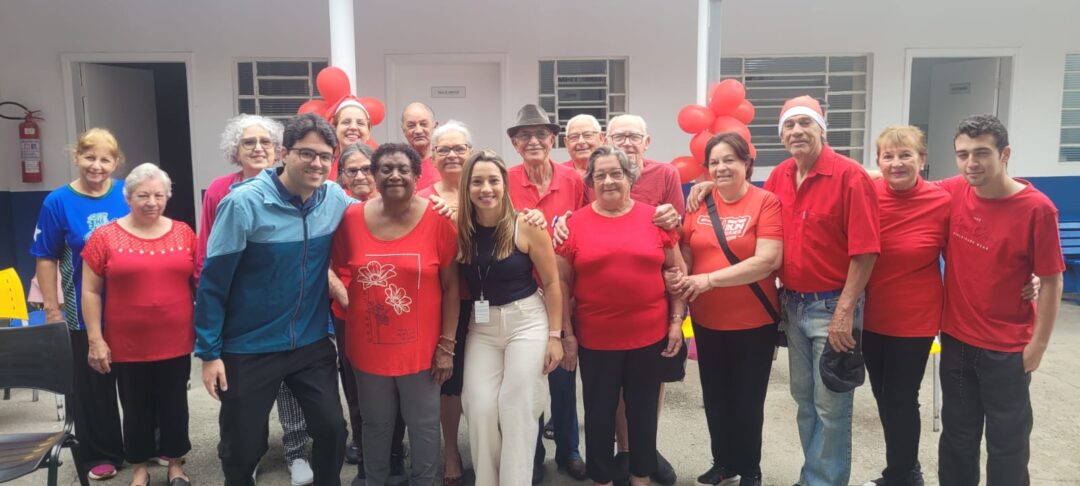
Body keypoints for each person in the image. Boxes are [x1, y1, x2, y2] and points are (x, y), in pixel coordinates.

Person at [688, 96, 879, 485]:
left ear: (821, 129)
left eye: (805, 124)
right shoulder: (781, 176)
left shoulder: (850, 176)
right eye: (789, 126)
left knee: (831, 404)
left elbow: (865, 252)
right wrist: (712, 182)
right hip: (792, 304)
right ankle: (813, 476)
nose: (797, 132)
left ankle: (823, 481)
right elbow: (743, 193)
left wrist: (845, 311)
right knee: (805, 401)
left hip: (832, 304)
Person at [195, 113, 351, 486]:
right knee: (243, 446)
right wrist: (209, 353)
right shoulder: (243, 204)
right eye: (306, 153)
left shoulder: (334, 198)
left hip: (309, 342)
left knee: (332, 429)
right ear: (284, 153)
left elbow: (377, 216)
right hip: (249, 346)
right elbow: (213, 283)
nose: (317, 163)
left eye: (325, 156)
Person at [936, 115, 1063, 485]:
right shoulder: (953, 191)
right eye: (962, 154)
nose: (970, 163)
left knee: (1007, 444)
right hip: (957, 341)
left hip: (1007, 349)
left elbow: (1052, 281)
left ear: (1004, 154)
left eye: (981, 153)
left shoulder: (1037, 209)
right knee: (957, 438)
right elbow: (900, 175)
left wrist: (1037, 346)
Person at [556, 145, 686, 486]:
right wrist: (567, 334)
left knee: (643, 412)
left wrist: (676, 323)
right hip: (596, 339)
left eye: (616, 173)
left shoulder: (656, 218)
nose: (609, 181)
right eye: (600, 175)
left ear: (631, 177)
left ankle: (641, 477)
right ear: (590, 182)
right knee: (598, 413)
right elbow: (561, 284)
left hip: (649, 335)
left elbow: (676, 273)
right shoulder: (573, 225)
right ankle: (602, 479)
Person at [331, 143, 460, 486]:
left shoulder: (438, 220)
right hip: (368, 349)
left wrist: (446, 346)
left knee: (424, 425)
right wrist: (347, 298)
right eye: (385, 169)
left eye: (403, 169)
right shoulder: (351, 220)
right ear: (374, 175)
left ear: (418, 176)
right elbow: (334, 267)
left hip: (422, 353)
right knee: (375, 424)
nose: (394, 175)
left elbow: (451, 288)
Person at [668, 133, 782, 486]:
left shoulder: (766, 202)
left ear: (747, 163)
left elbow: (767, 261)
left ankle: (750, 468)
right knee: (715, 396)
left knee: (748, 400)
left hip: (753, 321)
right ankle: (723, 463)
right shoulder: (699, 202)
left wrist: (709, 280)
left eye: (729, 160)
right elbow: (687, 254)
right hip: (707, 320)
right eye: (714, 162)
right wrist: (679, 288)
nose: (721, 168)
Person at [81, 163, 195, 486]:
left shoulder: (184, 233)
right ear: (128, 197)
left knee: (175, 404)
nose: (151, 202)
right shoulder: (104, 236)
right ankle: (139, 468)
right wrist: (95, 339)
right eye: (143, 195)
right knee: (134, 407)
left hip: (176, 339)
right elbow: (90, 291)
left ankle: (175, 464)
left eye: (159, 195)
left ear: (168, 197)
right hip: (127, 342)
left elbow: (199, 280)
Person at [458, 149, 565, 485]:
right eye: (477, 182)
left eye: (493, 180)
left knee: (517, 406)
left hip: (526, 322)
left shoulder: (527, 225)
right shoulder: (459, 228)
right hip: (482, 326)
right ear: (467, 187)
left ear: (505, 185)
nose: (486, 189)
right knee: (479, 406)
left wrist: (555, 337)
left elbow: (552, 283)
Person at [30, 127, 128, 481]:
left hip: (132, 310)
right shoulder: (57, 201)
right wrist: (52, 310)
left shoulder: (128, 193)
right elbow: (46, 257)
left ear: (116, 162)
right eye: (89, 157)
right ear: (77, 157)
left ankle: (148, 444)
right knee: (92, 387)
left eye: (105, 159)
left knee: (141, 381)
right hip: (81, 314)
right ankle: (100, 453)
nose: (96, 166)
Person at [857, 126, 950, 486]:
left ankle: (902, 474)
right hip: (871, 315)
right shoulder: (866, 193)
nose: (896, 163)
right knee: (882, 395)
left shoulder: (942, 201)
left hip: (915, 318)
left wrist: (1026, 277)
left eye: (906, 155)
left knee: (900, 397)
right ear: (878, 161)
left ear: (922, 159)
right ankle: (905, 469)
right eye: (888, 156)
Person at [504, 104, 588, 483]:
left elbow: (585, 226)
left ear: (554, 140)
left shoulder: (572, 181)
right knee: (528, 378)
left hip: (563, 293)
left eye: (541, 134)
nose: (534, 141)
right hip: (521, 294)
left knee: (564, 374)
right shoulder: (505, 180)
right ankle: (533, 453)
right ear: (515, 144)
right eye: (525, 136)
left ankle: (569, 450)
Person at [417, 120, 473, 484]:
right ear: (432, 156)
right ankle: (450, 450)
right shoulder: (422, 198)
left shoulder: (486, 189)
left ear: (471, 152)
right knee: (448, 378)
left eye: (459, 148)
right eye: (444, 149)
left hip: (489, 300)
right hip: (442, 302)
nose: (452, 155)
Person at [328, 95, 373, 178]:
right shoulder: (324, 169)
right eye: (346, 122)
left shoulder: (378, 169)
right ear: (335, 128)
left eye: (360, 123)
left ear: (369, 131)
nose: (353, 127)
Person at [401, 102, 441, 190]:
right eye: (411, 126)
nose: (418, 131)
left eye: (423, 124)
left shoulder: (444, 162)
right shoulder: (397, 165)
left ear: (435, 126)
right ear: (404, 130)